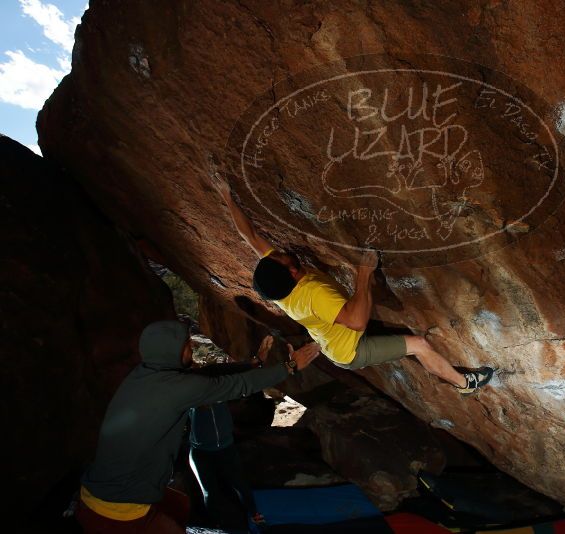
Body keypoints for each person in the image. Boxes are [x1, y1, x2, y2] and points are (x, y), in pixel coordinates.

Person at [210, 168, 493, 394]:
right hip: (350, 350)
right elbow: (357, 321)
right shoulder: (313, 293)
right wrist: (363, 273)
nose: (280, 252)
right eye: (282, 258)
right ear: (293, 273)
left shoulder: (281, 285)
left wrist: (225, 196)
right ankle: (464, 385)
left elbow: (251, 237)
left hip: (333, 339)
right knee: (418, 344)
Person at [76, 320, 320, 533]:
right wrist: (289, 366)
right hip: (118, 512)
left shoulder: (145, 375)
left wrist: (252, 363)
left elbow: (210, 374)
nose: (191, 347)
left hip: (94, 495)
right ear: (172, 350)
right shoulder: (175, 388)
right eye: (187, 344)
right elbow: (237, 386)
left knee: (180, 505)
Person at [187, 336, 279, 532]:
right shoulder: (183, 390)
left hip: (225, 447)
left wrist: (257, 361)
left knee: (240, 485)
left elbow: (236, 372)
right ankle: (215, 526)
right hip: (201, 451)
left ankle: (254, 514)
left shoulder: (213, 378)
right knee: (209, 492)